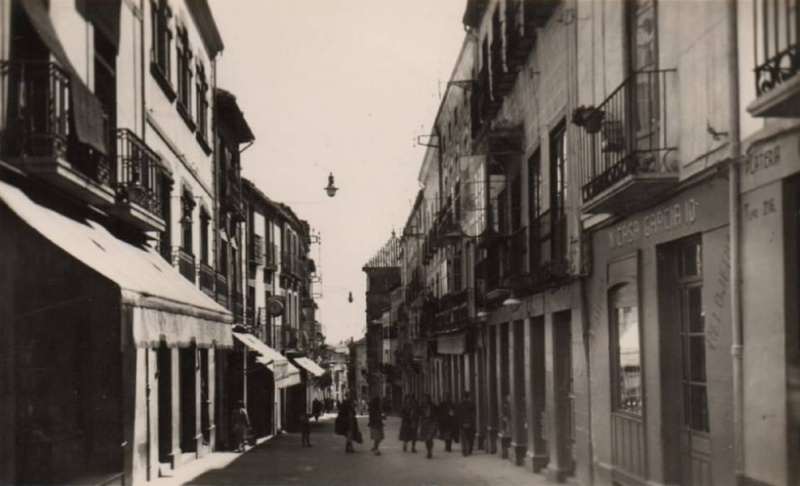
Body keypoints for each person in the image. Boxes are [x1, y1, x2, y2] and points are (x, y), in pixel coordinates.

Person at [417, 394, 438, 459]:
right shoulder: (421, 407)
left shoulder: (433, 406)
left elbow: (436, 414)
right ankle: (428, 451)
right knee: (426, 439)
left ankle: (430, 451)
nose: (424, 400)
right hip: (424, 423)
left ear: (429, 399)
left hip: (432, 423)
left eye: (426, 399)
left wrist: (436, 420)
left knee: (430, 438)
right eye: (423, 399)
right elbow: (418, 414)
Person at [457, 391, 476, 456]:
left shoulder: (460, 404)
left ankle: (464, 451)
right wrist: (472, 422)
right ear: (468, 397)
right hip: (470, 423)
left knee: (463, 438)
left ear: (463, 397)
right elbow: (473, 415)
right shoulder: (472, 404)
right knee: (470, 437)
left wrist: (460, 422)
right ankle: (470, 450)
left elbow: (458, 415)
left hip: (462, 423)